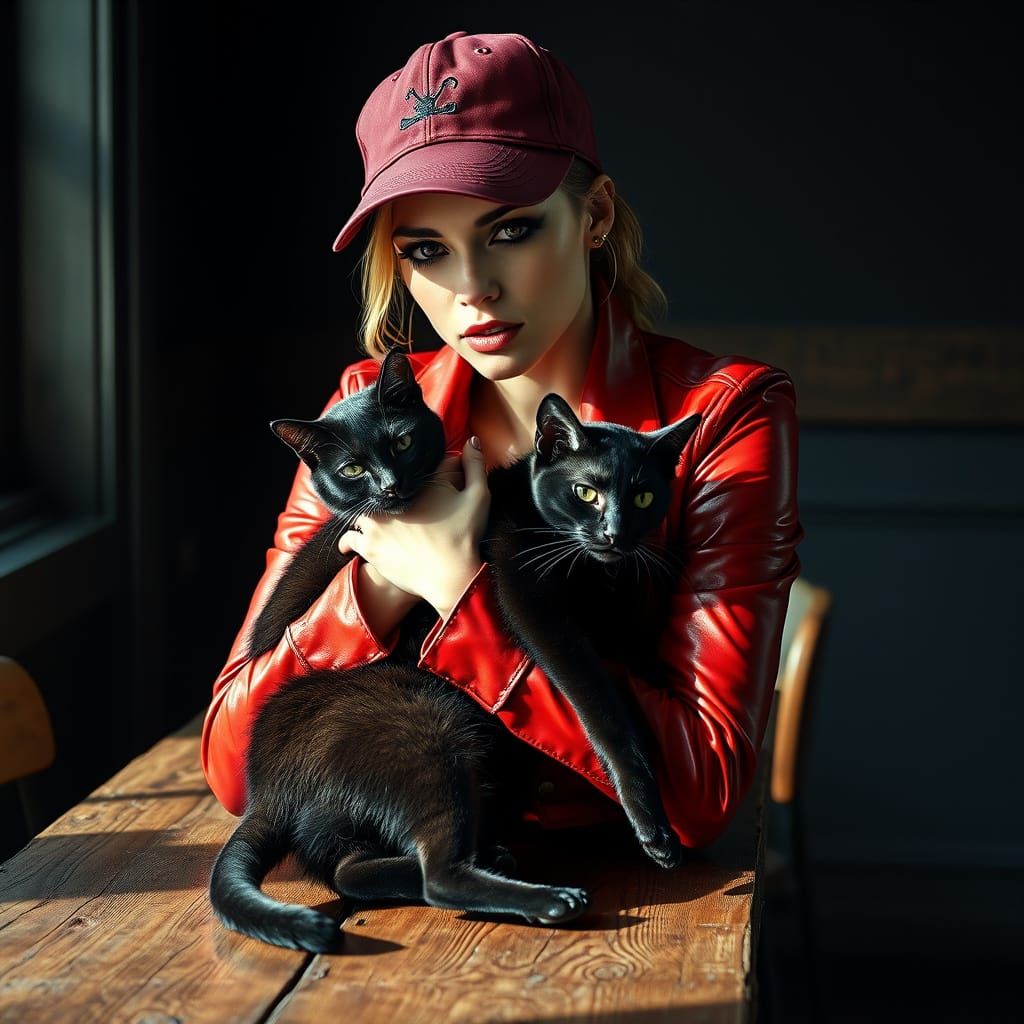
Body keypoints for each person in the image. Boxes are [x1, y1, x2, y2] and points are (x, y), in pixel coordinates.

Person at [200, 30, 804, 850]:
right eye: (426, 250)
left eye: (510, 230)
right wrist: (378, 587)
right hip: (402, 897)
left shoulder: (722, 416)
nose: (473, 288)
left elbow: (698, 793)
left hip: (620, 907)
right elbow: (236, 764)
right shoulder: (361, 415)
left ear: (593, 216)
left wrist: (459, 587)